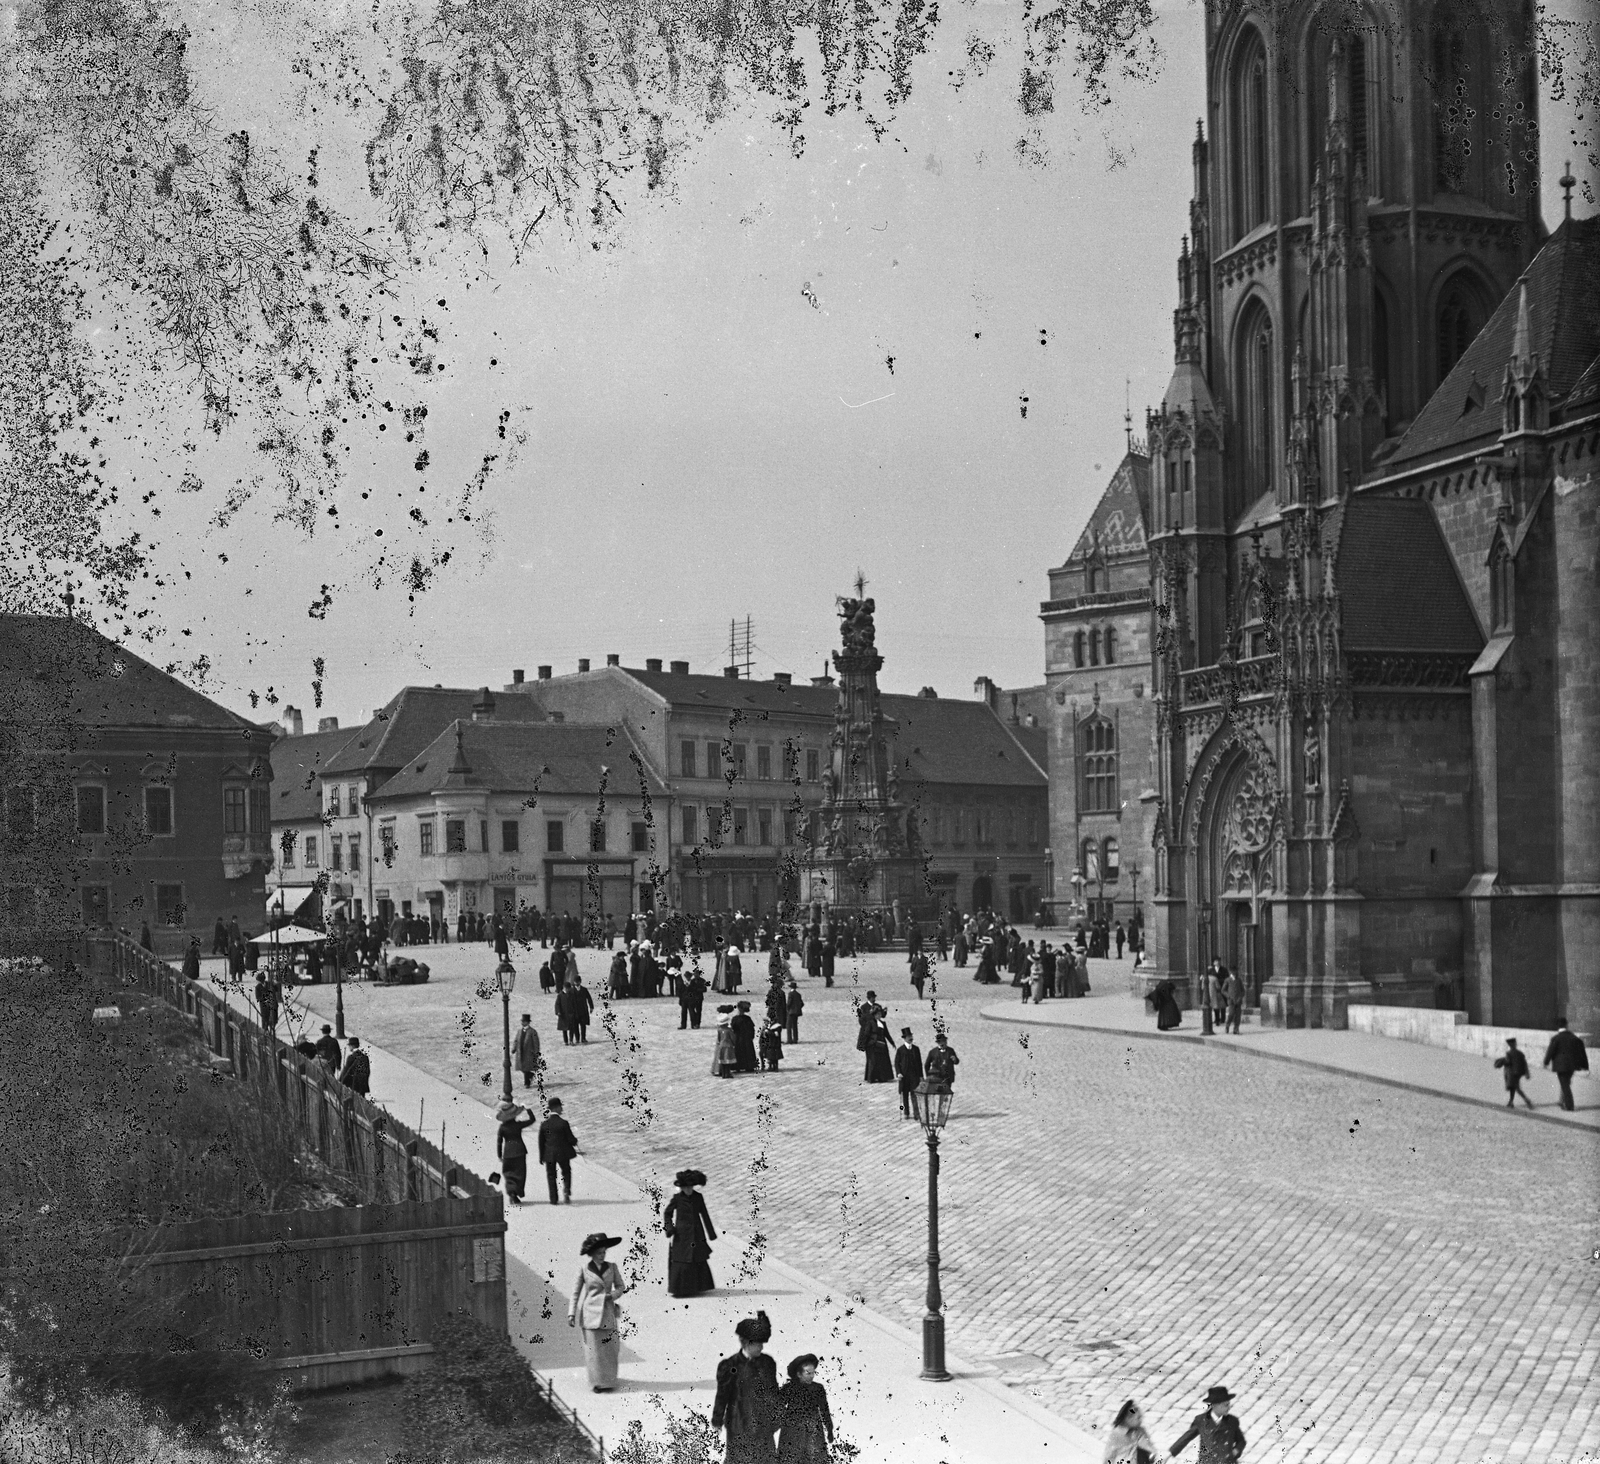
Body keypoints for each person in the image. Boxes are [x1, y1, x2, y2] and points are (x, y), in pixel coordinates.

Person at [713, 1310, 781, 1464]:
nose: (761, 1348)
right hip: (739, 1423)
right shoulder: (730, 1366)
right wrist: (717, 1419)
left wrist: (778, 1417)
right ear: (746, 1343)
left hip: (763, 1424)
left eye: (762, 1344)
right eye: (757, 1344)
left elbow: (774, 1392)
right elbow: (722, 1394)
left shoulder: (768, 1363)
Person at [569, 1233, 630, 1392]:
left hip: (607, 1311)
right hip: (590, 1314)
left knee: (610, 1348)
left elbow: (620, 1286)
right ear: (592, 1254)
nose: (602, 1256)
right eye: (599, 1253)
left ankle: (609, 1380)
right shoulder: (584, 1270)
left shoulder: (612, 1267)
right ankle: (596, 1382)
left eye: (604, 1252)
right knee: (594, 1351)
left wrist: (612, 1296)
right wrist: (571, 1314)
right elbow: (575, 1293)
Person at [664, 1169, 717, 1297]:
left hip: (697, 1233)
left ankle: (698, 1287)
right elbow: (667, 1213)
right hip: (681, 1235)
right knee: (682, 1259)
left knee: (696, 1258)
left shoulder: (698, 1197)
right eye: (686, 1188)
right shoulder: (677, 1199)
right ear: (681, 1188)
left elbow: (704, 1214)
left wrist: (711, 1233)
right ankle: (681, 1289)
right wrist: (669, 1228)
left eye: (690, 1187)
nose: (688, 1190)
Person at [777, 1354, 834, 1464]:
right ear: (798, 1374)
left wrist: (830, 1429)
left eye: (813, 1373)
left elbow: (824, 1410)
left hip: (813, 1432)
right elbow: (776, 1407)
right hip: (792, 1433)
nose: (812, 1376)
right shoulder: (789, 1388)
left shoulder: (818, 1389)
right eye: (808, 1373)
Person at [1170, 1385, 1246, 1462]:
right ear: (1215, 1405)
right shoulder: (1201, 1420)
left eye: (1229, 1404)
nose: (1229, 1407)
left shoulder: (1232, 1421)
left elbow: (1241, 1441)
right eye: (1226, 1405)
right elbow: (1187, 1437)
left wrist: (1235, 1451)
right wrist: (1171, 1453)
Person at [1542, 1019, 1590, 1112]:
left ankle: (1569, 1106)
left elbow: (1550, 1051)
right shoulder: (1575, 1038)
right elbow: (1582, 1052)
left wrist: (1546, 1062)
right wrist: (1585, 1066)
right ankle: (1562, 1101)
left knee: (1565, 1085)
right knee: (1566, 1083)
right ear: (1566, 1025)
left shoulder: (1556, 1038)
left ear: (1558, 1027)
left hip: (1561, 1066)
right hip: (1572, 1066)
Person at [539, 1096, 578, 1203]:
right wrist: (575, 1141)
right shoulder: (563, 1123)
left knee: (551, 1175)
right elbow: (570, 1139)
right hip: (563, 1153)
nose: (562, 1109)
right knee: (566, 1171)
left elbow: (541, 1142)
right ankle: (566, 1190)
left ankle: (553, 1199)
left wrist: (541, 1156)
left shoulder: (544, 1124)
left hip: (549, 1154)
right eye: (561, 1107)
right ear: (556, 1108)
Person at [495, 1100, 535, 1204]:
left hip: (507, 1152)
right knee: (520, 1173)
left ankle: (511, 1192)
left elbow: (499, 1142)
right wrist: (528, 1109)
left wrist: (499, 1155)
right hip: (520, 1151)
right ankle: (516, 1193)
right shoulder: (518, 1125)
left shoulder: (502, 1128)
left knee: (508, 1173)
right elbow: (532, 1120)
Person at [1103, 1399, 1161, 1464]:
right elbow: (1108, 1458)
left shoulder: (1141, 1431)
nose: (1141, 1421)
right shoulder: (1116, 1435)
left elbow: (1151, 1448)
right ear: (1128, 1419)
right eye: (1138, 1418)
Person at [1494, 1037, 1535, 1109]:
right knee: (1512, 1087)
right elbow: (1524, 1063)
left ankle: (1527, 1100)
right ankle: (1511, 1102)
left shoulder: (1508, 1053)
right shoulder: (1520, 1053)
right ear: (1515, 1044)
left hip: (1511, 1073)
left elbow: (1508, 1062)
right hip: (1518, 1073)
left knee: (1516, 1088)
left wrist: (1502, 1061)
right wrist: (1526, 1073)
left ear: (1509, 1045)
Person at [894, 1026, 923, 1119]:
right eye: (908, 1037)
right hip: (904, 1076)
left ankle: (916, 1113)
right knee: (905, 1095)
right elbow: (896, 1063)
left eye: (911, 1036)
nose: (910, 1038)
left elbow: (919, 1063)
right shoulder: (900, 1050)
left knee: (914, 1094)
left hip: (914, 1076)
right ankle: (906, 1112)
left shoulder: (916, 1049)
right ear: (904, 1038)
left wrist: (921, 1076)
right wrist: (898, 1073)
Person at [514, 1013, 542, 1088]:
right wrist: (514, 1048)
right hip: (521, 1052)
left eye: (524, 1021)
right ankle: (530, 1075)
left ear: (528, 1022)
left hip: (529, 1053)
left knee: (526, 1068)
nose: (522, 1023)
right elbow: (516, 1040)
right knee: (522, 1067)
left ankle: (527, 1083)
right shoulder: (519, 1031)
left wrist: (536, 1052)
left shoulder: (532, 1031)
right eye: (522, 1021)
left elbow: (536, 1043)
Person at [732, 1001, 760, 1073]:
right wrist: (751, 1037)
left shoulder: (735, 1019)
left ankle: (738, 1066)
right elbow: (752, 1029)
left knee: (738, 1052)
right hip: (747, 1039)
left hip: (738, 1038)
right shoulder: (747, 1019)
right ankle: (749, 1066)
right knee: (748, 1052)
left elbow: (733, 1028)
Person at [713, 1005, 738, 1078]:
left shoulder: (720, 1029)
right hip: (728, 1046)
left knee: (722, 1061)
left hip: (721, 1046)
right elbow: (733, 1038)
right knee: (728, 1062)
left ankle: (723, 1073)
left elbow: (719, 1038)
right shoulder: (729, 1030)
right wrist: (734, 1043)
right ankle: (727, 1073)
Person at [568, 977, 593, 1043]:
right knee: (575, 1026)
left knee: (583, 1025)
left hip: (583, 1010)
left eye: (577, 982)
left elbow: (589, 998)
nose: (576, 983)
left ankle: (583, 1038)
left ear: (580, 982)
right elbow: (568, 1001)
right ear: (573, 982)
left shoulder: (584, 990)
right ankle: (577, 1039)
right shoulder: (570, 991)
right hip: (575, 1011)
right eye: (575, 982)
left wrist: (591, 1007)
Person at [1224, 967, 1245, 1035]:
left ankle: (1236, 1029)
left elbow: (1243, 991)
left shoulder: (1239, 980)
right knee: (1231, 1014)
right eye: (1232, 972)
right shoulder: (1227, 980)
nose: (1234, 973)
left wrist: (1240, 997)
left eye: (1235, 972)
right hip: (1231, 1001)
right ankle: (1227, 1024)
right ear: (1230, 972)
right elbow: (1223, 990)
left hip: (1238, 1001)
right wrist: (1228, 996)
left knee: (1238, 1016)